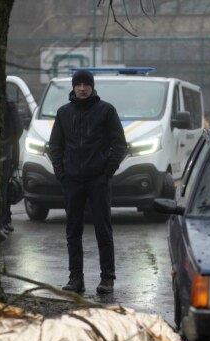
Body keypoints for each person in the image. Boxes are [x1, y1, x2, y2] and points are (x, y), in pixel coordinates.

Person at [47, 69, 127, 295]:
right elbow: (55, 146)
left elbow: (119, 144)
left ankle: (107, 279)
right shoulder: (64, 113)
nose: (82, 88)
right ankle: (75, 278)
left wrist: (106, 172)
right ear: (73, 87)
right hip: (72, 180)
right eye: (78, 84)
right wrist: (61, 173)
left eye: (86, 84)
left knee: (103, 229)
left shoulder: (106, 111)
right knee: (73, 230)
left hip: (98, 180)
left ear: (92, 86)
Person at [0, 98, 24, 240]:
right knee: (3, 188)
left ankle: (2, 221)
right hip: (5, 153)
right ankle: (4, 221)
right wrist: (9, 142)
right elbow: (19, 128)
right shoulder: (8, 103)